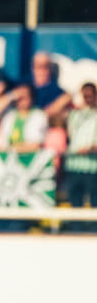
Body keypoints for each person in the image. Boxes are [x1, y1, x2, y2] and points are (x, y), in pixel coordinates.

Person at [64, 82, 97, 230]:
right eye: (85, 96)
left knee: (94, 200)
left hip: (92, 167)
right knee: (75, 201)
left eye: (90, 96)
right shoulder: (75, 115)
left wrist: (90, 148)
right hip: (74, 165)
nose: (87, 99)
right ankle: (76, 230)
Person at [0, 83, 48, 153]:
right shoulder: (9, 116)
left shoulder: (39, 116)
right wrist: (11, 95)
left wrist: (10, 149)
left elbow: (35, 146)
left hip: (30, 156)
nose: (21, 99)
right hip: (9, 156)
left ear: (32, 98)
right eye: (19, 97)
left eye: (25, 96)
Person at [30, 52, 72, 123]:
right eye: (38, 66)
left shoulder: (57, 92)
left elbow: (67, 98)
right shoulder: (25, 87)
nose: (42, 71)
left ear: (50, 69)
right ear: (32, 68)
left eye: (45, 67)